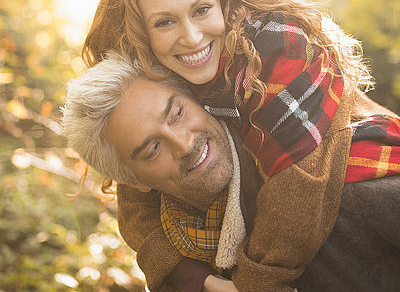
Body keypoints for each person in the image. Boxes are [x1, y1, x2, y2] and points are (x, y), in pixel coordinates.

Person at [80, 0, 400, 292]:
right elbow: (134, 185)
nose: (191, 37)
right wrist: (186, 275)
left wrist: (252, 285)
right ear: (142, 33)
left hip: (366, 163)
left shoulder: (278, 42)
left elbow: (300, 183)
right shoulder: (156, 73)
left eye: (201, 10)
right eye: (164, 22)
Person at [62, 55, 400, 292]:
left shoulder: (355, 183)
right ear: (134, 182)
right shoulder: (178, 260)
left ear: (197, 97)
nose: (183, 144)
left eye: (177, 113)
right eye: (152, 149)